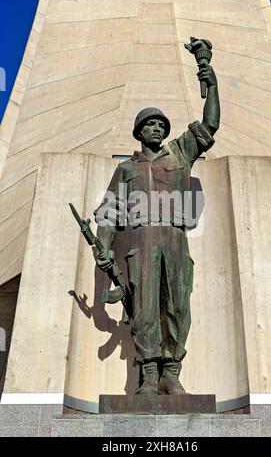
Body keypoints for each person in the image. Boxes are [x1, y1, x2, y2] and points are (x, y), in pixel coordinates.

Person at [94, 61, 220, 395]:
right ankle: (149, 375)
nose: (154, 129)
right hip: (141, 239)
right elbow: (109, 212)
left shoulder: (180, 152)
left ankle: (172, 373)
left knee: (177, 304)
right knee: (145, 307)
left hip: (175, 238)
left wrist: (211, 82)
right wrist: (103, 248)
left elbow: (210, 124)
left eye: (159, 124)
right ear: (139, 132)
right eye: (148, 125)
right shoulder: (126, 168)